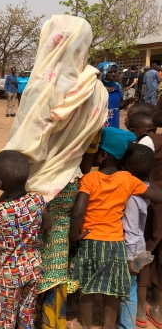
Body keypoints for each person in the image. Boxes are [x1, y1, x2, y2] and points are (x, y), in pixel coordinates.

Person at [4, 15, 108, 329]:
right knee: (56, 258)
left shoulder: (40, 85)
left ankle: (19, 317)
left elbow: (20, 146)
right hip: (68, 186)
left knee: (21, 258)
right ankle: (52, 322)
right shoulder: (96, 90)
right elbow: (91, 147)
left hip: (29, 187)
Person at [69, 127, 162, 329]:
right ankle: (109, 325)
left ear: (102, 155)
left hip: (90, 242)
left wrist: (74, 235)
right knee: (112, 289)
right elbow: (157, 196)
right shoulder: (128, 180)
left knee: (87, 288)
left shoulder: (89, 179)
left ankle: (85, 325)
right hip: (115, 244)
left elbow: (78, 212)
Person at [0, 150, 48, 328]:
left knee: (7, 318)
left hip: (9, 274)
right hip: (33, 266)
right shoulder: (37, 199)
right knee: (27, 313)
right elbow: (46, 224)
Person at [117, 143, 155, 329]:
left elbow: (131, 229)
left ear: (125, 169)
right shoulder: (145, 186)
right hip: (136, 246)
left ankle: (126, 325)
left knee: (128, 290)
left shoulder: (132, 195)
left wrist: (130, 259)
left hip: (130, 250)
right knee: (127, 288)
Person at [137, 116, 162, 328]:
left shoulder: (150, 141)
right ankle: (159, 309)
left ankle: (140, 308)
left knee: (146, 250)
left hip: (152, 204)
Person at [97, 61, 133, 128]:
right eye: (110, 72)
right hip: (100, 123)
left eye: (114, 72)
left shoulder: (117, 86)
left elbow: (117, 106)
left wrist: (127, 102)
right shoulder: (96, 87)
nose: (113, 74)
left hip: (114, 121)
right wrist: (99, 81)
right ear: (102, 73)